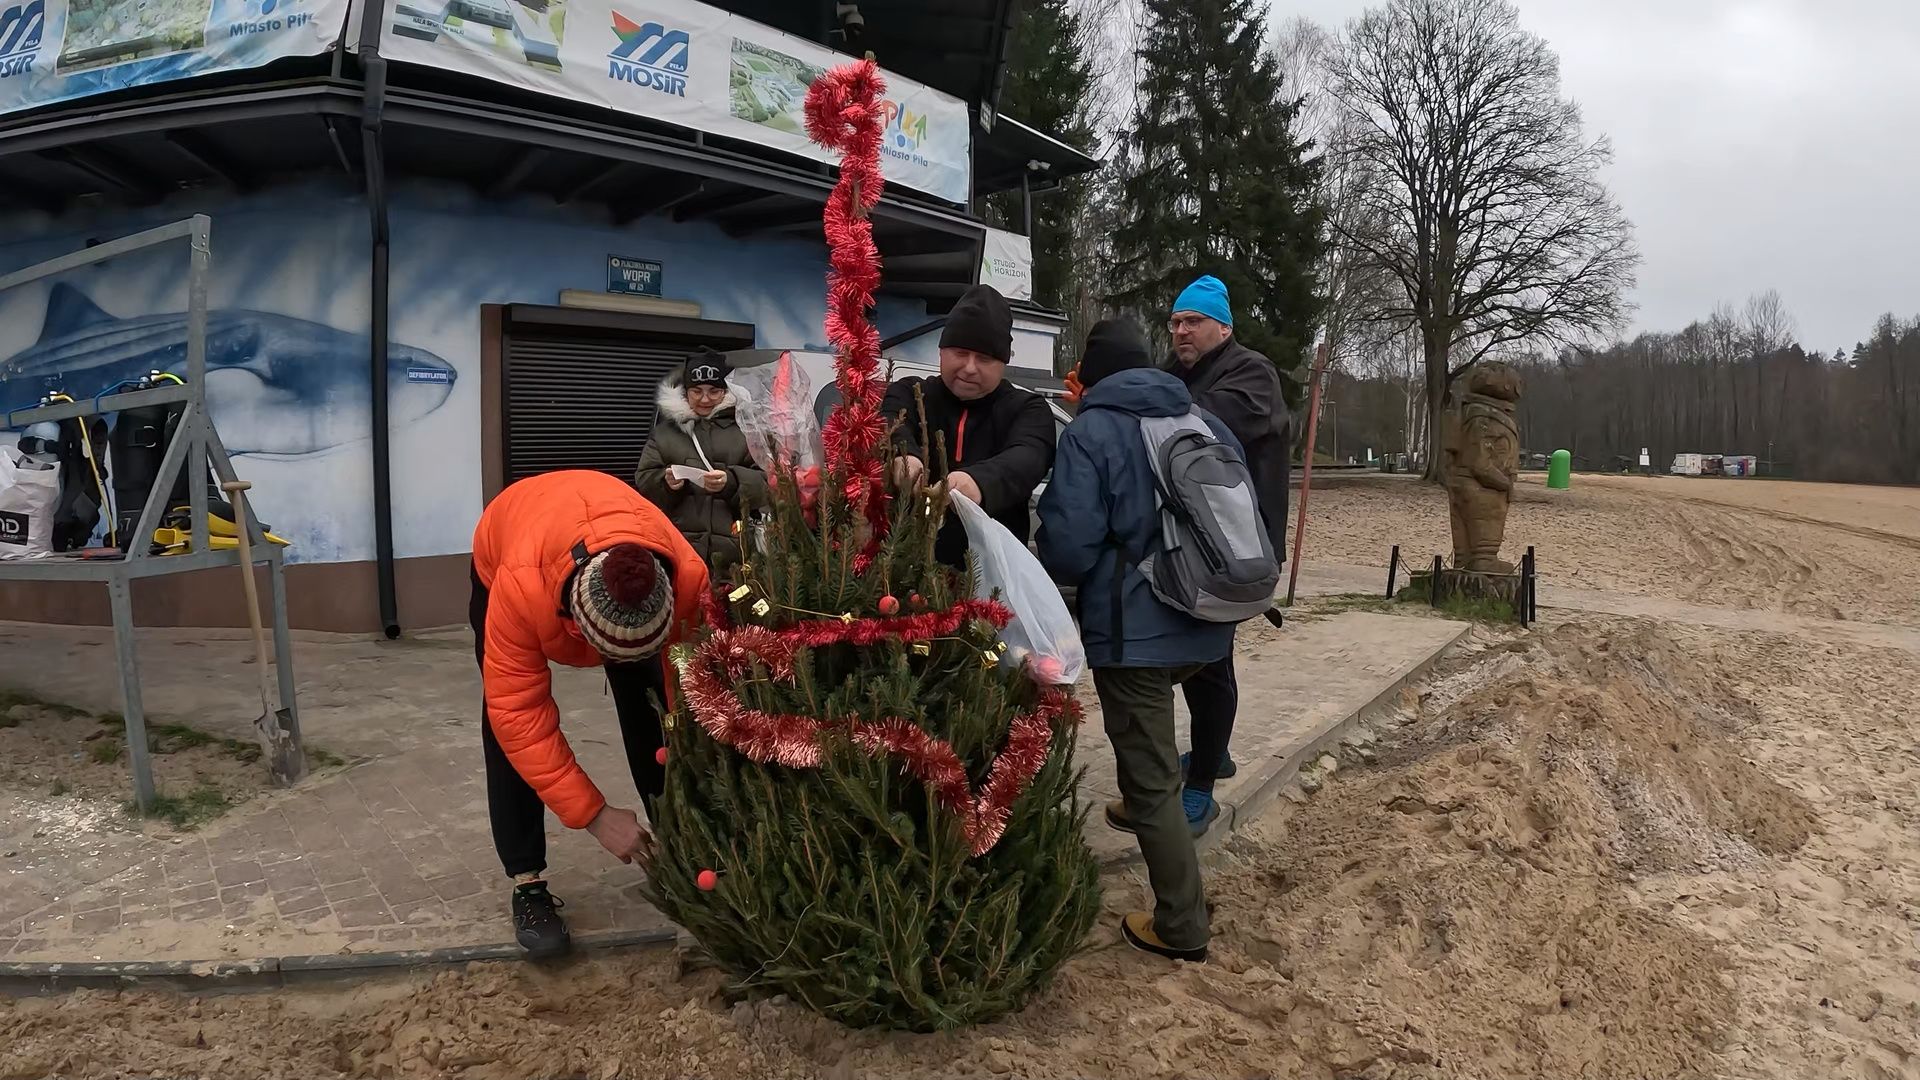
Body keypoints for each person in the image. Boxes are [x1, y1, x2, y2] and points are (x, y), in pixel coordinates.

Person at [1036, 318, 1239, 963]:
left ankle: (1181, 928)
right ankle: (1149, 797)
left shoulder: (1091, 430)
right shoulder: (1202, 420)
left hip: (1135, 634)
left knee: (1150, 778)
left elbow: (1068, 549)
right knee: (1151, 750)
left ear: (1091, 377)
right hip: (1209, 620)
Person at [469, 469, 708, 959]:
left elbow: (687, 697)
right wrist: (595, 816)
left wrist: (697, 812)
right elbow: (519, 716)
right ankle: (527, 883)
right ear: (576, 626)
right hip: (514, 541)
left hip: (604, 532)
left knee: (652, 704)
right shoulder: (519, 591)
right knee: (503, 723)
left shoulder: (688, 575)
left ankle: (679, 846)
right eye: (610, 653)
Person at [1163, 275, 1290, 799]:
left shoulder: (1253, 373)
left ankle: (1202, 783)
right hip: (1192, 540)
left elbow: (1203, 425)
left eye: (1193, 321)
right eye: (1175, 322)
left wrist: (1135, 398)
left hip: (1240, 545)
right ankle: (1214, 752)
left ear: (1224, 327)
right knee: (1200, 653)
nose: (1181, 331)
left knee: (1210, 658)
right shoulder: (1175, 372)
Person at [883, 283, 1056, 568]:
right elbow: (891, 422)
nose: (970, 367)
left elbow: (1028, 456)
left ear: (1003, 363)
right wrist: (905, 459)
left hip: (993, 579)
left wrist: (976, 483)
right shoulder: (911, 393)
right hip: (905, 573)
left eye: (984, 358)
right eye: (961, 353)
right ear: (941, 351)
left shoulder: (1028, 410)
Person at [634, 349, 767, 583]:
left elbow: (768, 483)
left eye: (714, 391)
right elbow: (644, 482)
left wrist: (731, 482)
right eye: (696, 391)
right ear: (685, 392)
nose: (705, 400)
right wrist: (666, 483)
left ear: (726, 391)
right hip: (680, 552)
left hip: (737, 558)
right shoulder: (665, 433)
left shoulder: (748, 430)